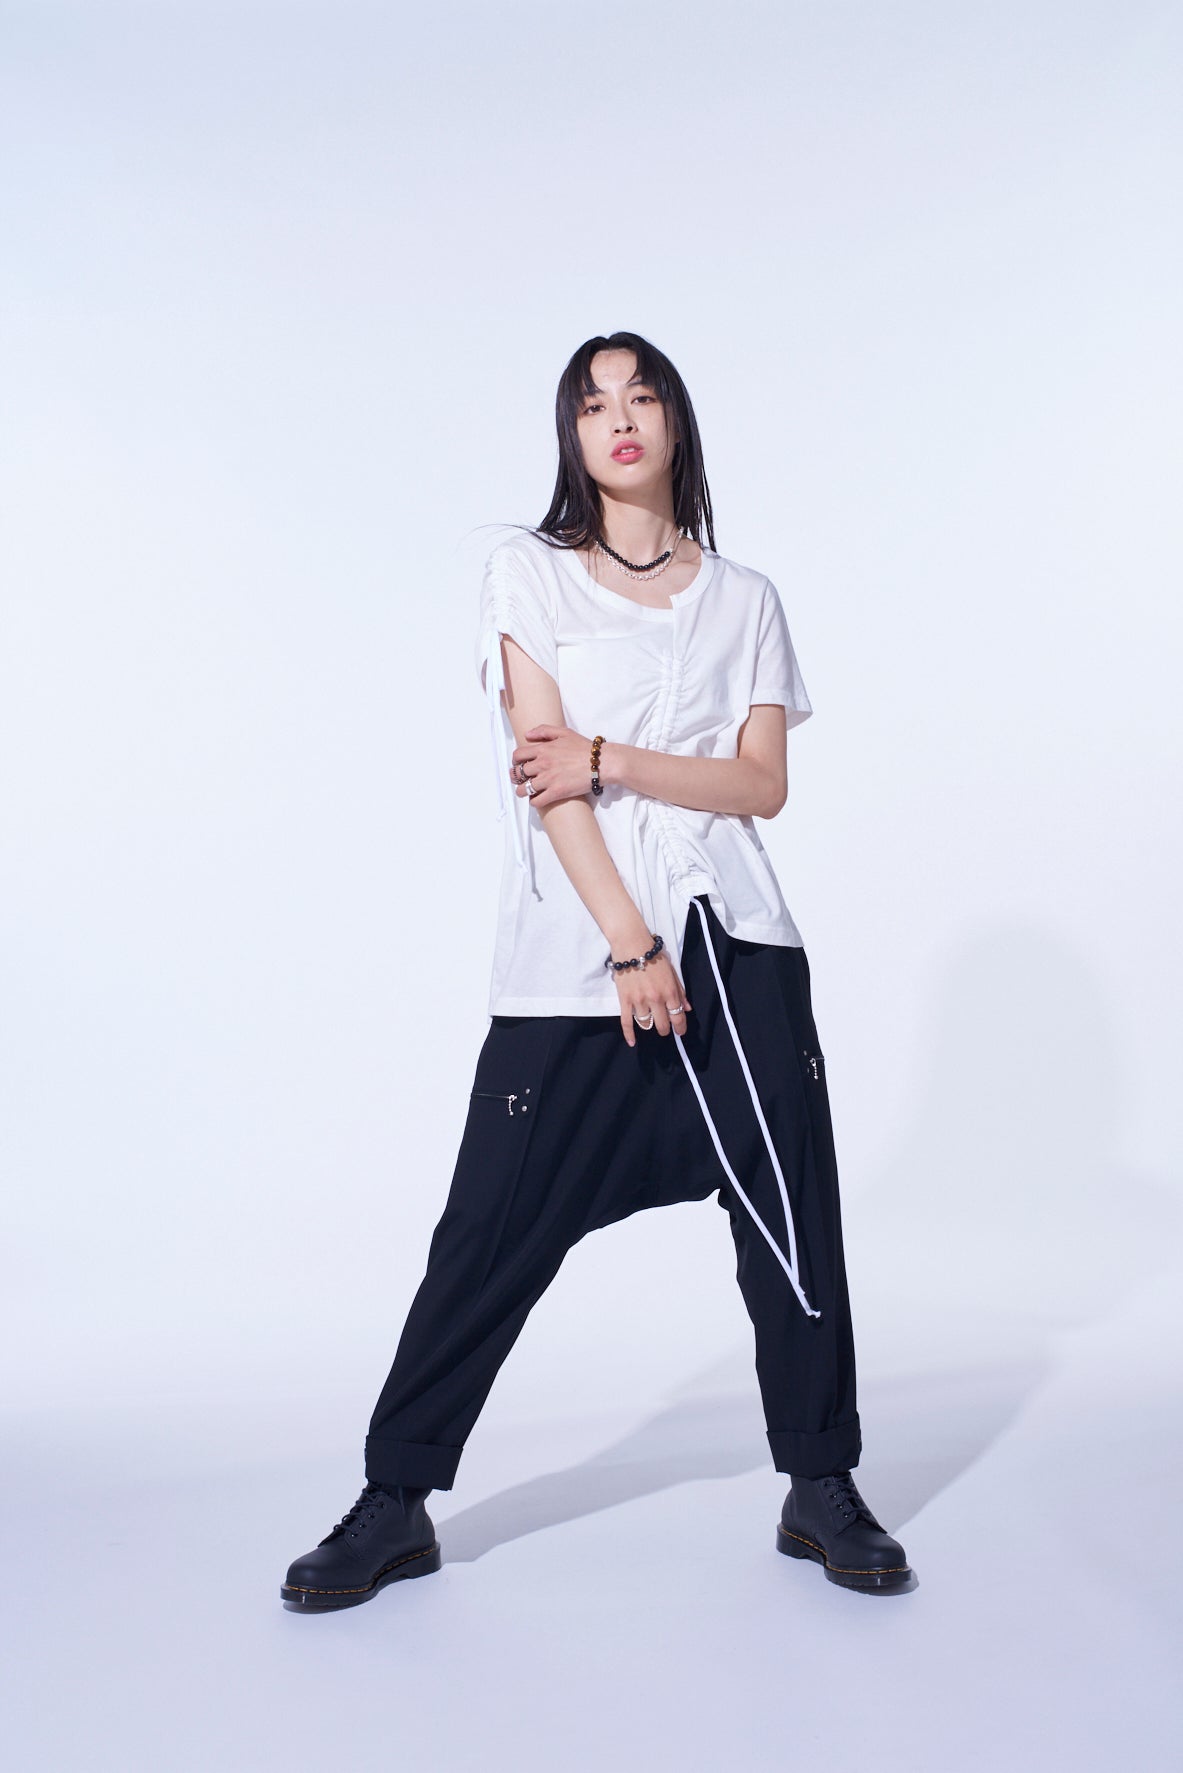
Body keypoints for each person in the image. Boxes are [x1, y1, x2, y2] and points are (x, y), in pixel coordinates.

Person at [281, 330, 914, 1612]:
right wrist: (628, 941)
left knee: (792, 1215)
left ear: (675, 421)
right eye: (590, 404)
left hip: (738, 942)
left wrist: (612, 756)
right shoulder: (528, 575)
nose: (617, 417)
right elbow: (541, 771)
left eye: (640, 396)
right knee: (489, 1226)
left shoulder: (746, 598)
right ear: (570, 437)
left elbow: (760, 787)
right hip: (579, 959)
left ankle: (820, 1482)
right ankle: (395, 1500)